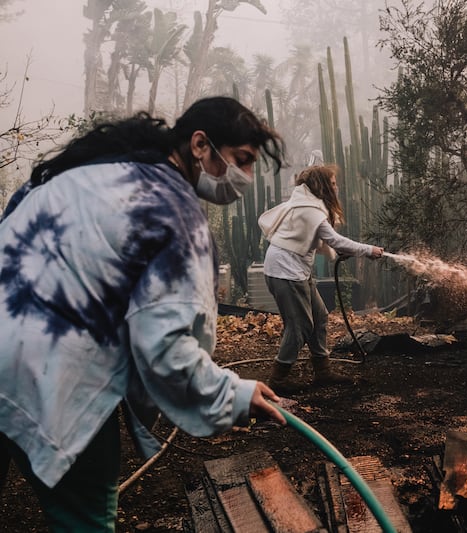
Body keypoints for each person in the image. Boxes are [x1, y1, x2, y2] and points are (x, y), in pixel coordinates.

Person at [0, 96, 288, 532]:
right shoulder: (172, 210)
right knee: (86, 520)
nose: (246, 177)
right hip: (56, 376)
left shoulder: (85, 172)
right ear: (199, 145)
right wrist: (233, 394)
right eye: (241, 160)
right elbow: (166, 348)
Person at [258, 164, 383, 395]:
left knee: (319, 315)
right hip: (285, 273)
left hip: (295, 271)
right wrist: (368, 250)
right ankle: (278, 379)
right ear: (323, 186)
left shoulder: (308, 205)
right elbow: (334, 239)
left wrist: (345, 250)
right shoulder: (311, 210)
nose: (337, 187)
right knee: (300, 326)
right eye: (333, 183)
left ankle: (323, 371)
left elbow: (322, 239)